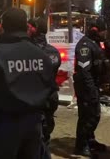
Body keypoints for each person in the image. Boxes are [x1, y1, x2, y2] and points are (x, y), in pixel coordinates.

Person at [0, 8, 57, 159]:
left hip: (4, 129)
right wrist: (45, 128)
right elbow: (52, 95)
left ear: (3, 27)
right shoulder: (42, 56)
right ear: (25, 26)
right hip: (34, 128)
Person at [73, 17, 108, 157]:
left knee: (94, 114)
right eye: (102, 31)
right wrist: (91, 89)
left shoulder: (95, 43)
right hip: (85, 86)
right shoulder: (85, 46)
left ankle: (89, 139)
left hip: (93, 84)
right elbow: (84, 70)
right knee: (88, 115)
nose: (104, 34)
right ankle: (81, 145)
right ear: (95, 30)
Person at [33, 17, 61, 159]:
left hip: (36, 97)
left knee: (36, 133)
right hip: (51, 95)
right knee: (47, 127)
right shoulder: (54, 52)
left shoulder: (30, 51)